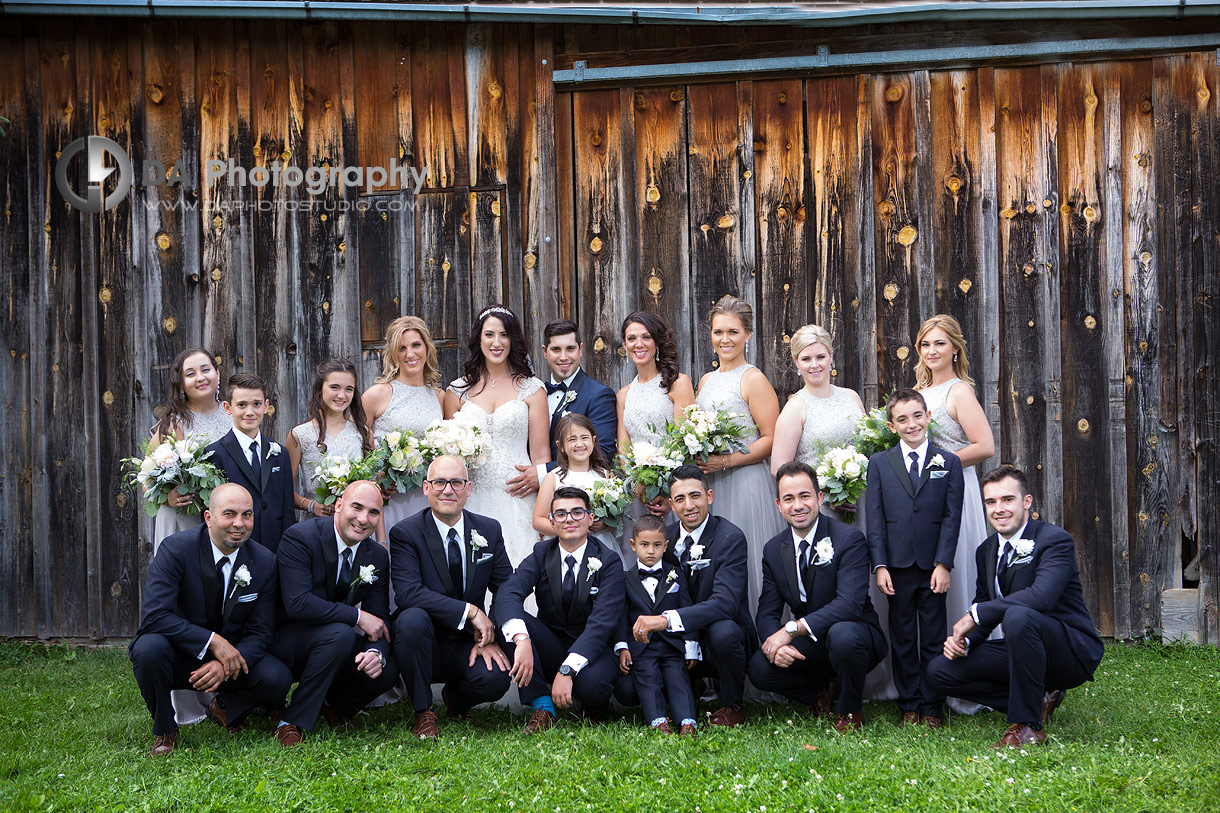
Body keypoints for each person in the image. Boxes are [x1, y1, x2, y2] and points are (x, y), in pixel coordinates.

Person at [927, 466, 1104, 748]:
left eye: (1007, 499)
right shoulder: (985, 550)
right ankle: (1040, 698)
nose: (999, 509)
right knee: (939, 670)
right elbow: (985, 602)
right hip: (1022, 649)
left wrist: (974, 615)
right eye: (990, 502)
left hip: (1068, 651)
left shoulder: (1053, 540)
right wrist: (966, 641)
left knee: (1019, 615)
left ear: (1027, 502)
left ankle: (1028, 725)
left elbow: (1040, 598)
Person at [768, 324, 895, 701]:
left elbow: (867, 448)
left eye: (820, 356)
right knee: (823, 588)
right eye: (806, 358)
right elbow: (780, 467)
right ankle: (824, 672)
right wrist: (825, 492)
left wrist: (853, 484)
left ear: (832, 358)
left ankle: (862, 670)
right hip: (819, 510)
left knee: (859, 589)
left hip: (857, 506)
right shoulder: (796, 407)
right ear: (796, 363)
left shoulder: (852, 398)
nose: (814, 364)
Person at [129, 483, 290, 756]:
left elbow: (261, 631)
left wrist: (224, 664)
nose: (239, 524)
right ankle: (166, 728)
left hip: (232, 660)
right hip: (181, 653)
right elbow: (155, 616)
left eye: (247, 515)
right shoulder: (176, 549)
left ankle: (225, 705)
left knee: (278, 678)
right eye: (229, 514)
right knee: (148, 650)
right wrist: (213, 642)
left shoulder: (264, 561)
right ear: (208, 517)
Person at [748, 462, 885, 732]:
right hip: (812, 642)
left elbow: (850, 604)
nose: (797, 505)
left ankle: (849, 709)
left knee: (843, 635)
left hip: (855, 635)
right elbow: (767, 610)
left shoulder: (849, 539)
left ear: (819, 498)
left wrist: (791, 630)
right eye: (789, 498)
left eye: (804, 496)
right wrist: (773, 645)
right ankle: (820, 693)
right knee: (758, 668)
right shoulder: (774, 549)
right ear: (778, 504)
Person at [389, 455, 515, 741]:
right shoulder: (406, 533)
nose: (448, 490)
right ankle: (423, 711)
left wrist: (490, 631)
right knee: (411, 618)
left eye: (456, 482)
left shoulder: (489, 529)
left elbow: (507, 586)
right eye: (439, 482)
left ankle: (456, 700)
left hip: (467, 642)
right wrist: (470, 611)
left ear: (468, 489)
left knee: (495, 679)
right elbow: (408, 592)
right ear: (425, 488)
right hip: (424, 641)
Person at [271, 480, 398, 746]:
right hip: (287, 639)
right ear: (338, 505)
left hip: (333, 641)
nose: (364, 519)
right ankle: (290, 721)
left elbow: (379, 617)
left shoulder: (376, 555)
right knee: (341, 634)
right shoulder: (300, 537)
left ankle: (334, 706)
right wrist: (356, 617)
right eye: (357, 507)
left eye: (373, 512)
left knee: (386, 669)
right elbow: (298, 603)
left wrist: (376, 653)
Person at [628, 466, 756, 728]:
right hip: (679, 642)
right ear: (671, 505)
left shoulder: (729, 537)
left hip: (720, 635)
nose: (689, 506)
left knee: (724, 632)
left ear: (709, 496)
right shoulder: (664, 538)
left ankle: (733, 705)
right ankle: (686, 689)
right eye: (680, 499)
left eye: (695, 496)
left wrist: (664, 620)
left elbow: (725, 604)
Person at [865, 388, 964, 727]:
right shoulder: (879, 464)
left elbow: (952, 518)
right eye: (902, 419)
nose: (911, 424)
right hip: (897, 566)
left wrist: (943, 563)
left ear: (928, 417)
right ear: (892, 426)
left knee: (935, 635)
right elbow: (875, 518)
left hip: (933, 565)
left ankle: (933, 705)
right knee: (903, 635)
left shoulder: (948, 462)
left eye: (917, 416)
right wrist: (879, 565)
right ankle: (909, 702)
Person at [913, 314, 996, 706]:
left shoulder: (959, 392)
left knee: (954, 566)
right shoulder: (919, 392)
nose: (932, 351)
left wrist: (940, 464)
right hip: (921, 493)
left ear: (955, 348)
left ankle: (963, 667)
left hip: (952, 487)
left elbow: (984, 446)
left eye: (939, 344)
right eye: (926, 344)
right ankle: (931, 665)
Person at [496, 487, 625, 734]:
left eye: (577, 512)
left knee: (592, 686)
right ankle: (543, 707)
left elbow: (603, 622)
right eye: (561, 514)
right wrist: (521, 639)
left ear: (590, 518)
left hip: (593, 648)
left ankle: (594, 705)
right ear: (552, 522)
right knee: (511, 621)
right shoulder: (542, 553)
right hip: (552, 642)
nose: (569, 519)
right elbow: (509, 592)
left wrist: (568, 669)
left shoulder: (608, 561)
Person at [693, 294, 785, 612]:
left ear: (747, 334)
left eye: (733, 332)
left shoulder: (753, 379)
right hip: (711, 484)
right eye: (719, 332)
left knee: (746, 562)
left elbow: (771, 438)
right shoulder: (705, 380)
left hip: (746, 482)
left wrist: (728, 460)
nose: (725, 339)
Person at [444, 304, 549, 565]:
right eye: (489, 334)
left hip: (518, 496)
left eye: (504, 335)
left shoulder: (532, 389)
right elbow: (448, 459)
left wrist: (542, 500)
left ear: (513, 340)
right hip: (471, 498)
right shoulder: (456, 391)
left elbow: (541, 457)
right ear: (479, 338)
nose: (497, 342)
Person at [615, 311, 696, 544]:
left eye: (646, 337)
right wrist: (640, 487)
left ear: (657, 342)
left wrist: (665, 492)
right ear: (624, 344)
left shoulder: (677, 384)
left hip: (675, 491)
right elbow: (624, 449)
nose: (638, 344)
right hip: (638, 494)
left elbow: (685, 444)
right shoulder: (623, 395)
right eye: (632, 338)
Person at [615, 514, 699, 736]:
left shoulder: (675, 574)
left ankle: (687, 721)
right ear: (633, 545)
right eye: (644, 545)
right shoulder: (625, 579)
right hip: (642, 647)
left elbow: (687, 610)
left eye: (656, 545)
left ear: (666, 546)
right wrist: (622, 646)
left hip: (672, 645)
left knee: (678, 679)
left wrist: (691, 645)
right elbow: (621, 616)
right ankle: (658, 721)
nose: (650, 551)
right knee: (648, 680)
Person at [362, 316, 445, 539]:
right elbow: (355, 443)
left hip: (427, 497)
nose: (410, 354)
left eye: (416, 345)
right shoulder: (378, 394)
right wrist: (376, 479)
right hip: (391, 499)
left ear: (427, 348)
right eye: (402, 348)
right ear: (393, 354)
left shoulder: (439, 397)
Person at [514, 319, 617, 495]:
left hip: (577, 494)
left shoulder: (599, 395)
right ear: (545, 352)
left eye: (570, 349)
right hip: (527, 493)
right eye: (556, 349)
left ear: (581, 350)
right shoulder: (533, 394)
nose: (563, 357)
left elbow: (603, 454)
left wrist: (541, 474)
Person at [150, 348, 232, 553]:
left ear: (217, 373)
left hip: (227, 520)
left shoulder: (234, 414)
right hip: (184, 519)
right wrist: (166, 498)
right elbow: (145, 477)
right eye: (190, 374)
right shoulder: (173, 424)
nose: (200, 378)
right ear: (181, 383)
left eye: (206, 370)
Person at [205, 373, 296, 553]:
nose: (250, 412)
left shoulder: (279, 453)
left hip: (275, 548)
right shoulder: (214, 454)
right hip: (235, 547)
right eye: (241, 405)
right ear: (227, 407)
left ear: (266, 406)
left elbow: (287, 511)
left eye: (256, 404)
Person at [287, 358, 374, 520]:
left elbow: (374, 491)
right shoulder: (299, 435)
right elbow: (284, 490)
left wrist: (381, 539)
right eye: (334, 387)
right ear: (320, 388)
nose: (342, 395)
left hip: (359, 523)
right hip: (318, 525)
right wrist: (313, 505)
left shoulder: (363, 433)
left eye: (349, 389)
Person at [532, 414, 618, 550]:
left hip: (601, 545)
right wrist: (570, 529)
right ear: (560, 446)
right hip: (565, 546)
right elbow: (538, 520)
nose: (579, 444)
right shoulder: (553, 478)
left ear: (593, 440)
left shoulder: (606, 476)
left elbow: (618, 517)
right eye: (572, 439)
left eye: (584, 438)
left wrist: (605, 524)